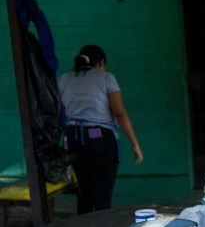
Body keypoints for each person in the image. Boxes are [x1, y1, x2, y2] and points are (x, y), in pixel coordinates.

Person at [58, 45, 143, 214]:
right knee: (102, 195)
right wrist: (135, 144)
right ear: (101, 62)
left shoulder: (63, 79)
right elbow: (119, 112)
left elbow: (61, 112)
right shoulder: (106, 78)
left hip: (73, 138)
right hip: (100, 139)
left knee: (84, 192)